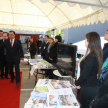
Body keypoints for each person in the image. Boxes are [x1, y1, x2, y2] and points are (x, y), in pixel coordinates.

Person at [75, 32, 103, 108]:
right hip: (90, 86)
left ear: (90, 41)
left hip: (88, 89)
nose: (85, 41)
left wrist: (77, 83)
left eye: (86, 39)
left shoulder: (91, 56)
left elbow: (84, 74)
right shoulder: (95, 54)